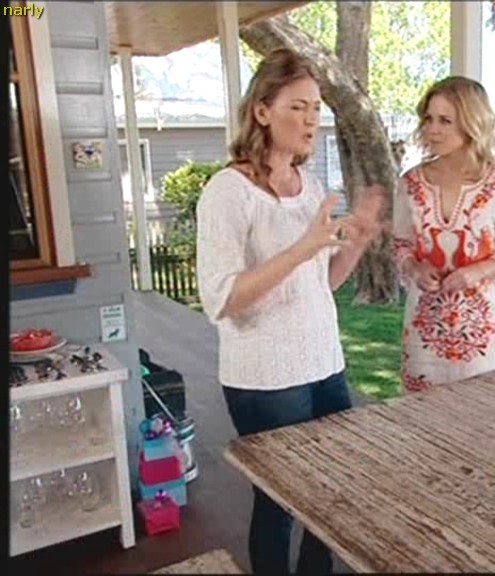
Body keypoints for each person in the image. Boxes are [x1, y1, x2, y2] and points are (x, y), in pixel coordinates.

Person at [196, 49, 384, 574]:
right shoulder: (227, 192)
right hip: (265, 379)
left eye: (316, 108)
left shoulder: (311, 189)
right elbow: (222, 298)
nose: (310, 120)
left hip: (325, 366)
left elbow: (322, 284)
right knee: (280, 502)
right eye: (298, 107)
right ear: (262, 111)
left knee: (330, 497)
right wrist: (303, 247)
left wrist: (356, 243)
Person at [392, 76, 495, 393]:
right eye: (428, 119)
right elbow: (400, 243)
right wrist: (415, 268)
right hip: (424, 331)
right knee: (422, 416)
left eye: (445, 121)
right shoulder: (411, 183)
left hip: (480, 334)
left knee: (480, 414)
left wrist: (476, 272)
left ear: (471, 123)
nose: (432, 129)